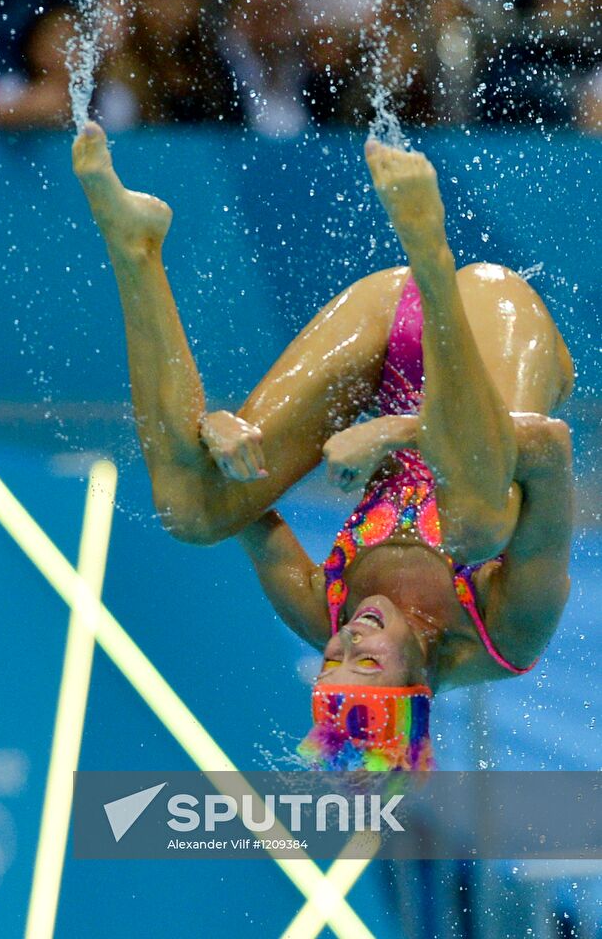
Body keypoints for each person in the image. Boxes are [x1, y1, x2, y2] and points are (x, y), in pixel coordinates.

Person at [72, 121, 573, 771]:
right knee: (478, 527)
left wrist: (217, 435)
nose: (350, 637)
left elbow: (240, 505)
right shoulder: (507, 633)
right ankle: (430, 245)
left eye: (333, 661)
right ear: (416, 687)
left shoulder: (323, 611)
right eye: (366, 661)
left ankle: (134, 246)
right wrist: (401, 430)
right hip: (489, 316)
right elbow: (551, 449)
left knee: (193, 513)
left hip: (382, 328)